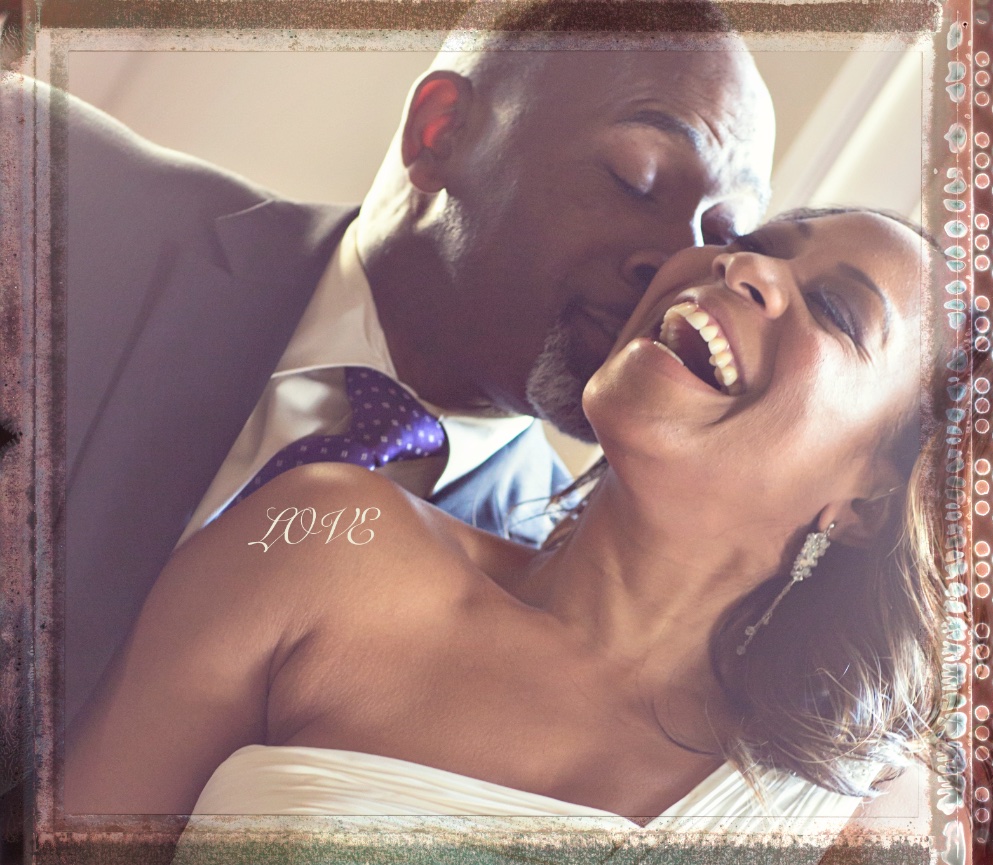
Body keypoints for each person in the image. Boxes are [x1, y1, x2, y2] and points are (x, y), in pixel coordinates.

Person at [65, 207, 945, 861]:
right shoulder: (321, 543)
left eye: (836, 308)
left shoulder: (861, 813)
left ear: (869, 501)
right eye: (753, 239)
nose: (744, 264)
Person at [0, 4, 775, 721]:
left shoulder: (554, 596)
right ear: (440, 132)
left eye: (722, 231)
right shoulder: (46, 187)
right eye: (637, 179)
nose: (679, 260)